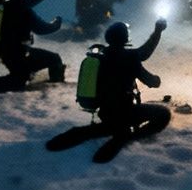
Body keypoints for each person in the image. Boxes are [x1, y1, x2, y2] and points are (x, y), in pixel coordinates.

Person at [45, 19, 171, 163]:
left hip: (105, 112)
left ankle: (92, 132)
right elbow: (150, 74)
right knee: (163, 114)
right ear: (126, 38)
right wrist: (158, 31)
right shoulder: (131, 57)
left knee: (107, 127)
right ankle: (127, 137)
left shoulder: (100, 56)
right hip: (126, 111)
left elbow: (144, 52)